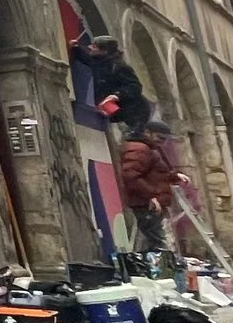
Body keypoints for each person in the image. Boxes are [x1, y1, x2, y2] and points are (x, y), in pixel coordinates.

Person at [118, 119, 187, 252]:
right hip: (147, 204)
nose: (162, 141)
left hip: (151, 204)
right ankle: (159, 270)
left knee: (154, 241)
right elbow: (131, 176)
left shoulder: (147, 149)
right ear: (147, 133)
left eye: (165, 139)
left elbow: (155, 172)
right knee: (157, 243)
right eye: (159, 137)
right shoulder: (140, 149)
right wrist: (151, 196)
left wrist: (174, 176)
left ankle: (156, 268)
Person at [72, 32, 151, 132]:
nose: (90, 47)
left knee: (131, 137)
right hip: (112, 112)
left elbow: (135, 86)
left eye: (95, 46)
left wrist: (116, 96)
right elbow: (87, 58)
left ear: (104, 51)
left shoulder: (119, 67)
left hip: (133, 112)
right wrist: (76, 48)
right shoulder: (99, 62)